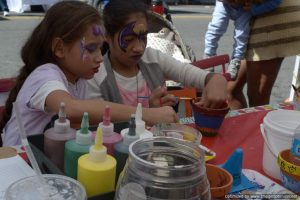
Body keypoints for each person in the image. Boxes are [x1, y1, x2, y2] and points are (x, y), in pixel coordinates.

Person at [0, 1, 178, 146]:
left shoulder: (80, 80)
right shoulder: (45, 75)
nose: (100, 58)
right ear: (60, 48)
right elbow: (70, 109)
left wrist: (149, 110)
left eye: (101, 49)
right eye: (91, 49)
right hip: (18, 166)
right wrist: (145, 115)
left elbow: (88, 124)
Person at [87, 0, 228, 110]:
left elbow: (188, 73)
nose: (139, 48)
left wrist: (215, 80)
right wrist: (150, 112)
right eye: (128, 40)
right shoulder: (96, 76)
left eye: (143, 37)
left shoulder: (153, 59)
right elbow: (101, 129)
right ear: (107, 36)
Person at [228, 0, 300, 108]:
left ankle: (258, 124)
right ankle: (249, 124)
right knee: (230, 91)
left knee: (257, 101)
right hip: (258, 20)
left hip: (272, 21)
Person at [204, 0, 282, 81]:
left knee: (242, 35)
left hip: (245, 8)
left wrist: (254, 9)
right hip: (225, 5)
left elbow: (276, 1)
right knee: (216, 28)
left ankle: (236, 60)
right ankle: (209, 56)